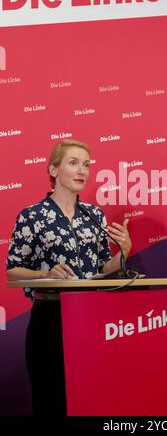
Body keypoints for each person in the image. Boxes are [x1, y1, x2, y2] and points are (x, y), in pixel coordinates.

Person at [6, 139, 132, 415]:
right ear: (53, 170)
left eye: (86, 164)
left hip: (91, 317)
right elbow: (12, 273)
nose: (82, 171)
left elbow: (103, 268)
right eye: (73, 163)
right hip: (50, 318)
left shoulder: (94, 215)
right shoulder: (32, 216)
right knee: (51, 400)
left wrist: (124, 251)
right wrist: (45, 273)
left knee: (91, 399)